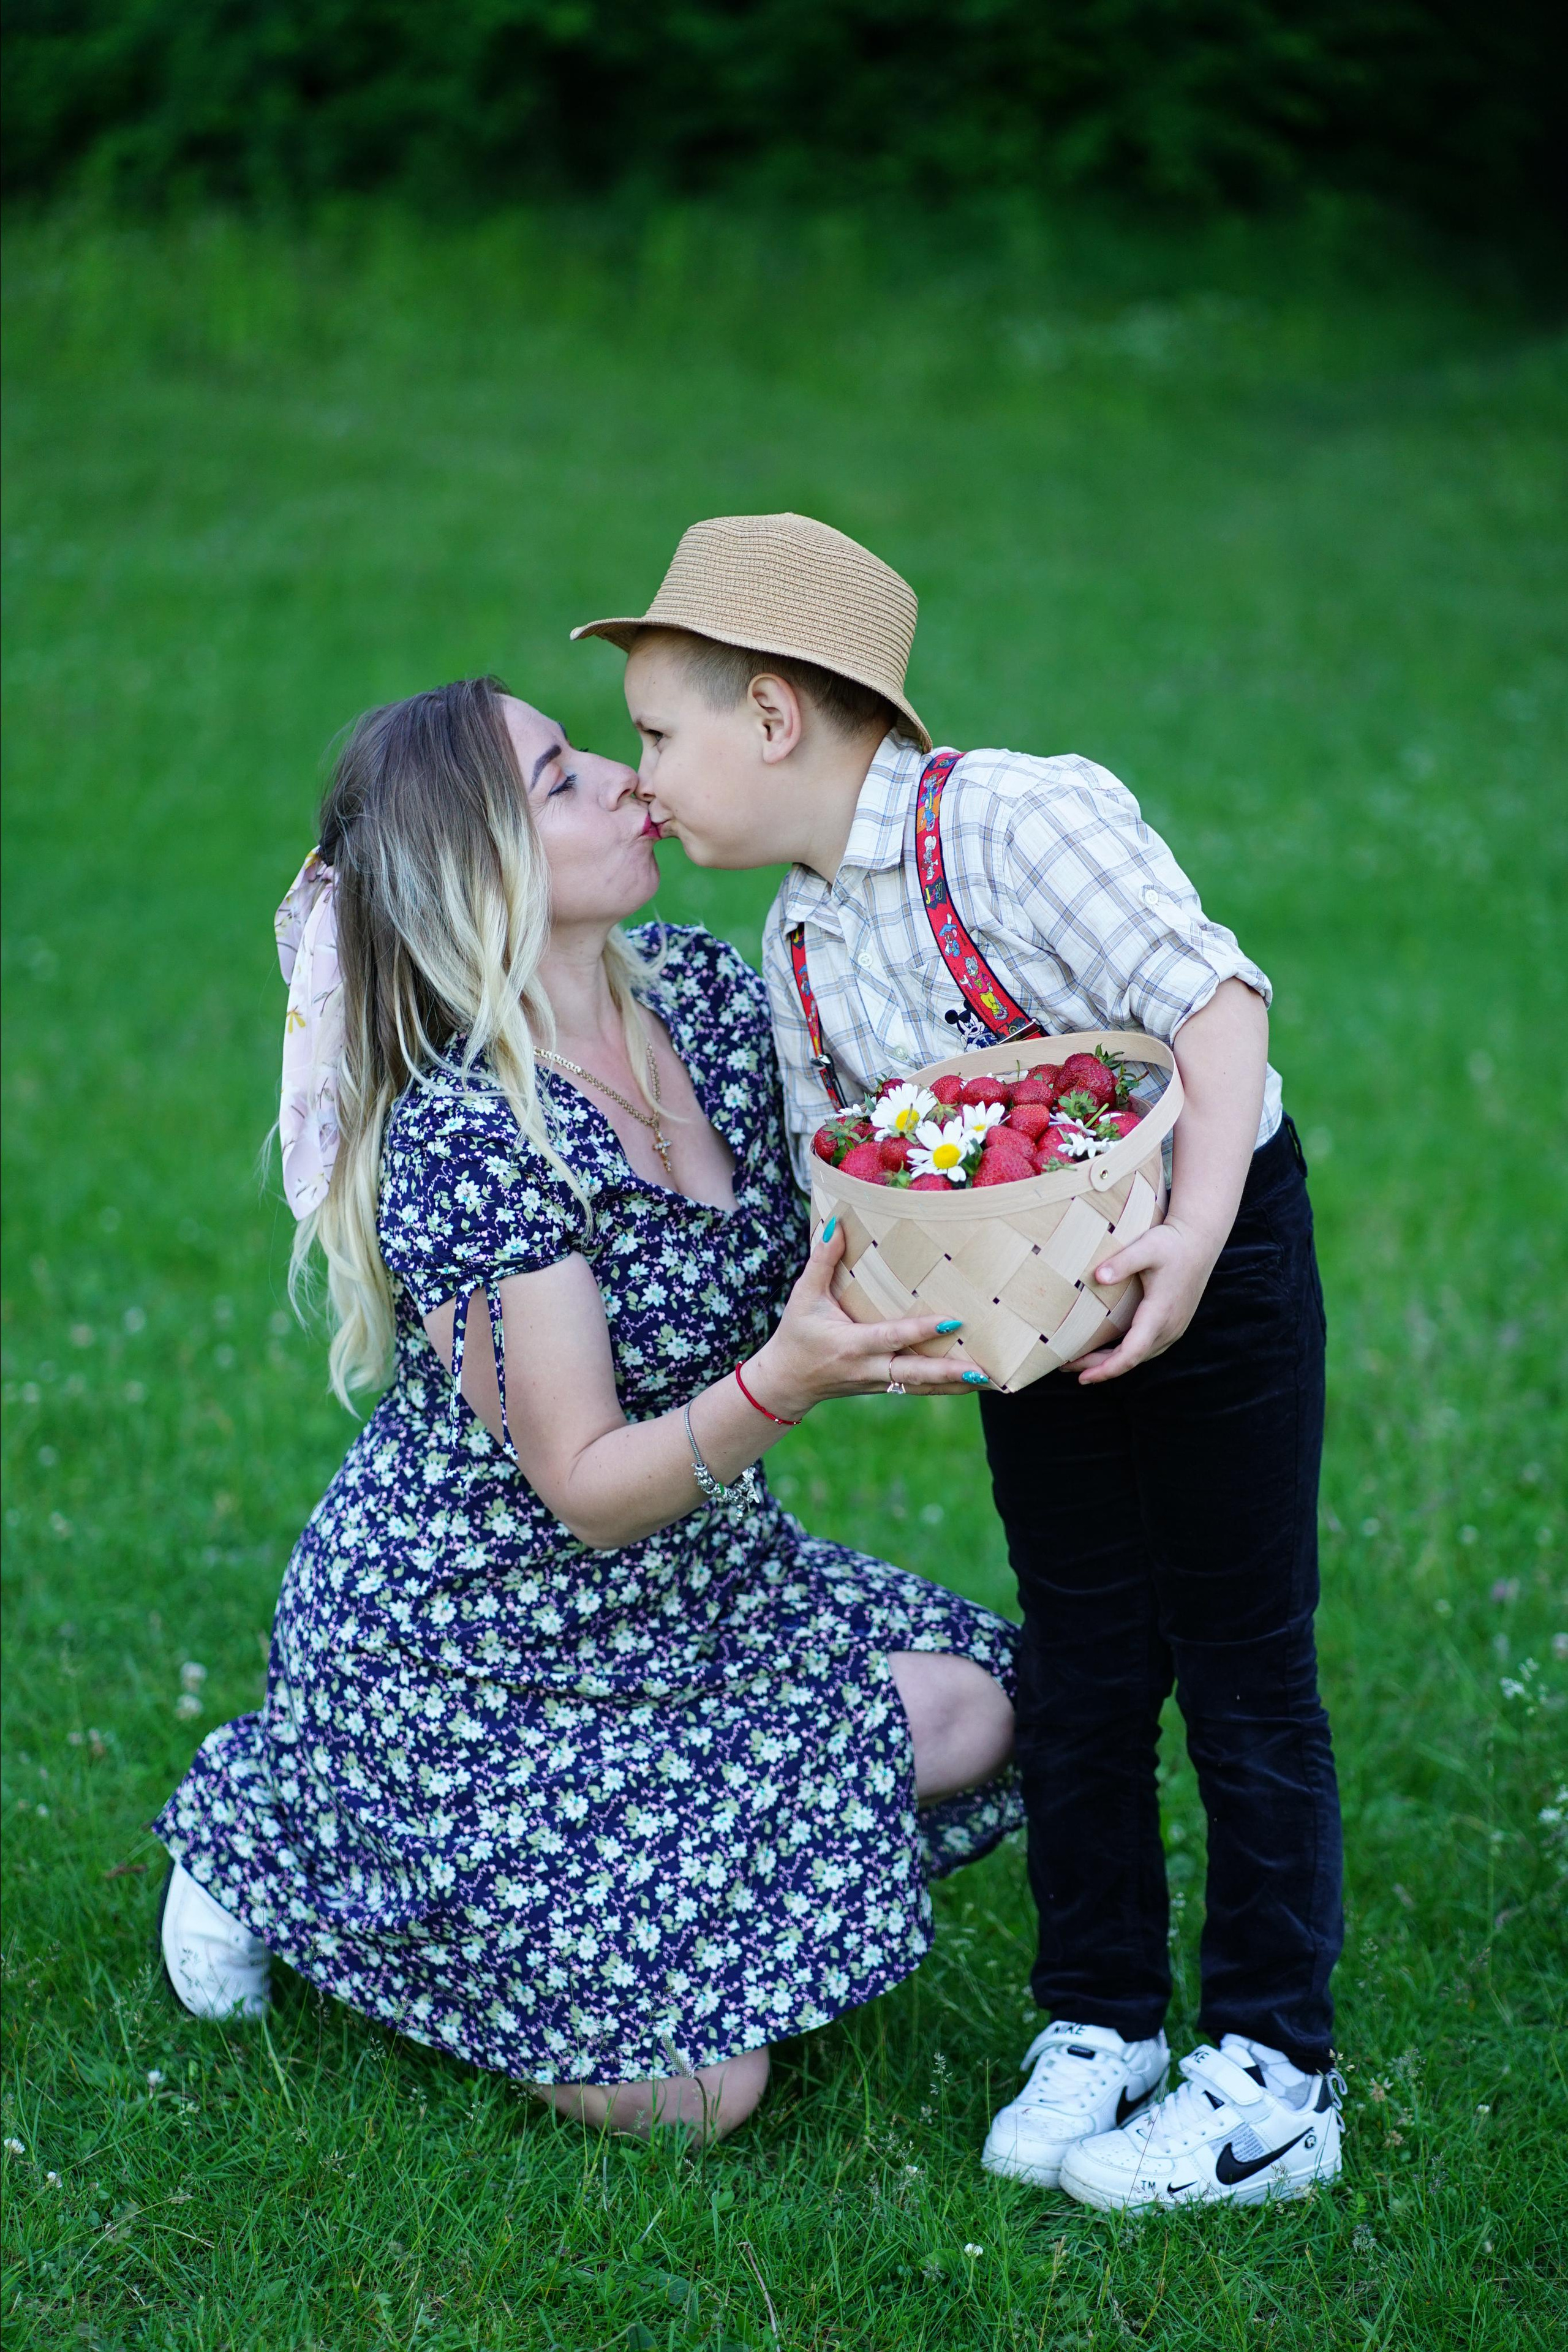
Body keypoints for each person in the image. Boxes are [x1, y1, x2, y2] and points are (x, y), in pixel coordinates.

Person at [571, 513, 1345, 2207]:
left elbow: (1214, 1007)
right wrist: (863, 1329)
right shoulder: (795, 945)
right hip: (1028, 1313)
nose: (639, 784)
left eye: (654, 736)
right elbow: (855, 1173)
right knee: (1081, 1647)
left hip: (1212, 1244)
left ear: (772, 717)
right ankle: (1103, 2017)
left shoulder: (1019, 818)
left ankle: (1279, 2068)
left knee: (1239, 1655)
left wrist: (1196, 1238)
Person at [154, 675, 1020, 2144]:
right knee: (697, 2095)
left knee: (983, 1707)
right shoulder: (466, 1134)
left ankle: (649, 1898)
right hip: (475, 1664)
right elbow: (588, 1485)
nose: (628, 779)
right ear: (478, 871)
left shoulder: (699, 992)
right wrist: (782, 1381)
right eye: (561, 779)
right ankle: (298, 1831)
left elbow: (881, 1162)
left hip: (696, 1595)